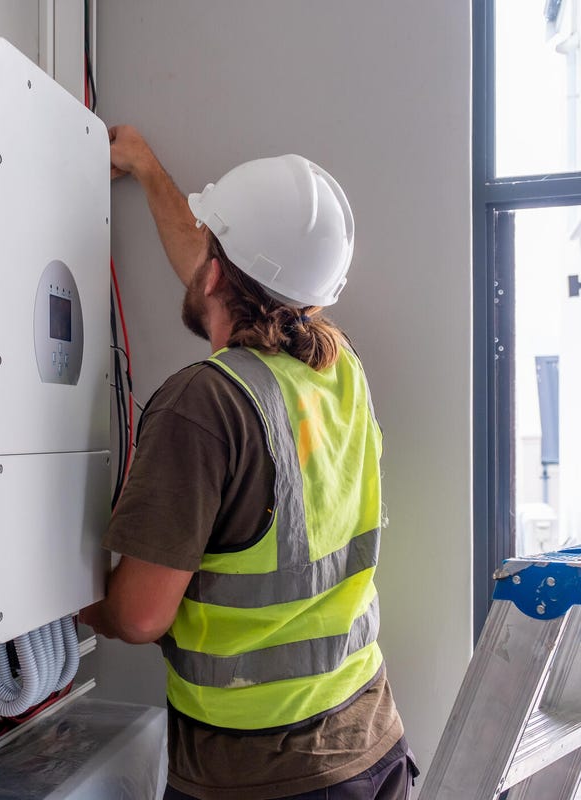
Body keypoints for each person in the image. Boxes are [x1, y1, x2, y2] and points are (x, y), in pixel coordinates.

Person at [79, 126, 416, 800]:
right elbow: (228, 275)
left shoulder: (203, 405)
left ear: (213, 272)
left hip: (265, 777)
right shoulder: (338, 370)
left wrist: (64, 605)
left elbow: (141, 617)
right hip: (368, 739)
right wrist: (145, 166)